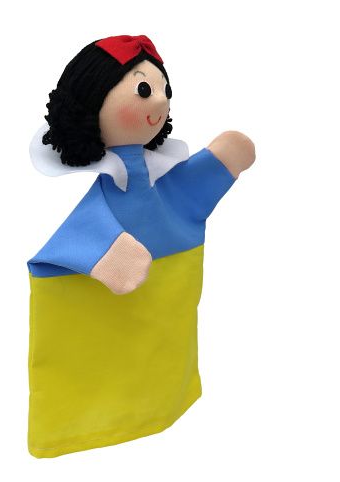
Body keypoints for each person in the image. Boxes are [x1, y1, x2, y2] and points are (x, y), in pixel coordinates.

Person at [27, 34, 255, 458]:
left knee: (161, 355)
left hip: (166, 335)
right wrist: (106, 252)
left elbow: (183, 196)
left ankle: (158, 399)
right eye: (145, 89)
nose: (161, 101)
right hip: (106, 336)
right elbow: (65, 243)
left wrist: (219, 164)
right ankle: (91, 417)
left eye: (163, 90)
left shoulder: (156, 180)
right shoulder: (109, 192)